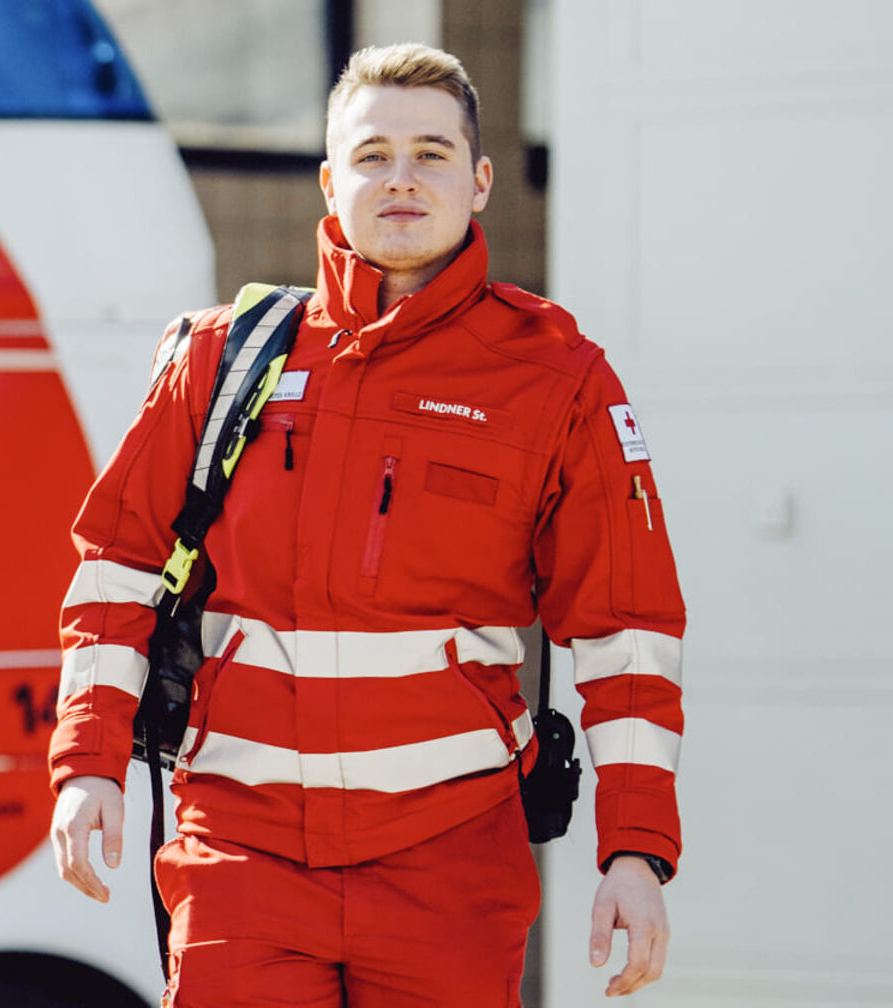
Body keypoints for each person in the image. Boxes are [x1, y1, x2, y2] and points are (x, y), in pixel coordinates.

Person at [47, 43, 684, 1006]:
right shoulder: (220, 359)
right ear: (330, 179)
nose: (400, 178)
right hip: (242, 854)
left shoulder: (557, 378)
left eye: (431, 154)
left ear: (479, 181)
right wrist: (89, 762)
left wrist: (636, 849)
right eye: (373, 153)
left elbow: (624, 628)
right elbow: (117, 571)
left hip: (449, 866)